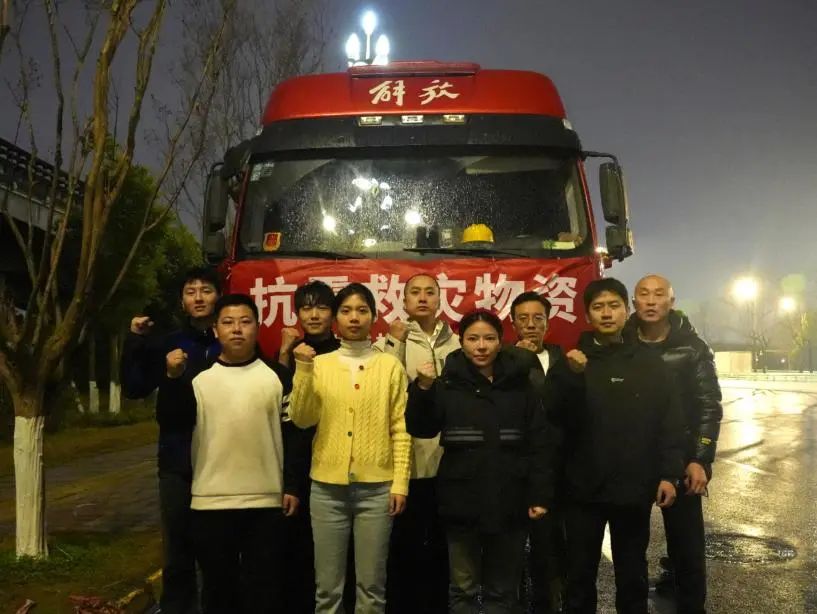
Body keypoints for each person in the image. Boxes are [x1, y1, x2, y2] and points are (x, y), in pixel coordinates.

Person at [546, 278, 685, 614]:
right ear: (587, 315)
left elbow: (670, 423)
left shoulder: (650, 363)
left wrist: (669, 474)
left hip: (633, 490)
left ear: (626, 311)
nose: (606, 313)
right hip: (581, 491)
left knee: (633, 576)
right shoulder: (571, 362)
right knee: (579, 577)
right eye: (598, 307)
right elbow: (552, 417)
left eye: (613, 306)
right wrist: (571, 377)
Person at [165, 293, 309, 613]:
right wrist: (173, 378)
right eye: (228, 323)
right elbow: (173, 422)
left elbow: (294, 434)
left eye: (245, 322)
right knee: (218, 593)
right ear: (216, 330)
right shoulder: (196, 378)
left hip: (267, 503)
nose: (237, 329)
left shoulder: (278, 376)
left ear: (257, 327)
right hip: (210, 503)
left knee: (265, 593)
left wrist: (291, 485)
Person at [406, 309, 553, 614]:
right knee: (463, 589)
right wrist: (422, 389)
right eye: (473, 339)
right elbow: (421, 427)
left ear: (501, 341)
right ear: (462, 342)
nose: (481, 346)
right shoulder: (447, 383)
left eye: (489, 338)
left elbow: (539, 442)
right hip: (460, 501)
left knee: (503, 590)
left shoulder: (520, 385)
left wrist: (539, 494)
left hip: (510, 499)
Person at [289, 282, 412, 614]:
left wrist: (400, 483)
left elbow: (401, 429)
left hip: (377, 490)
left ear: (374, 316)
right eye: (346, 311)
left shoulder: (389, 366)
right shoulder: (320, 364)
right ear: (336, 318)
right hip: (327, 490)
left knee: (371, 587)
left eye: (362, 310)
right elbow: (301, 418)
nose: (354, 318)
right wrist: (303, 370)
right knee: (327, 590)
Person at [122, 267, 221, 614]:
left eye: (206, 290)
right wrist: (135, 341)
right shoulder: (169, 343)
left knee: (218, 551)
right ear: (182, 301)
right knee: (177, 550)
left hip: (223, 462)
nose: (198, 297)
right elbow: (135, 387)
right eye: (191, 292)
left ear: (218, 297)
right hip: (177, 461)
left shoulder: (231, 343)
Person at [627, 274, 723, 614]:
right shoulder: (622, 343)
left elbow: (709, 405)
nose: (651, 301)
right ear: (634, 302)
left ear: (671, 302)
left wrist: (701, 459)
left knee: (687, 549)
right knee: (630, 550)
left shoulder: (693, 347)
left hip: (682, 460)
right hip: (633, 461)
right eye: (644, 294)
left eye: (659, 295)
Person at [375, 273, 460, 614]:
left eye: (429, 292)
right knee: (402, 547)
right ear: (404, 300)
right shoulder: (389, 341)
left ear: (440, 299)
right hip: (404, 464)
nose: (422, 298)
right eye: (415, 292)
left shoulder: (459, 343)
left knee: (442, 548)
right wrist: (394, 342)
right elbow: (383, 388)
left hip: (447, 461)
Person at [277, 280, 341, 614]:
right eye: (306, 307)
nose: (314, 315)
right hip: (301, 470)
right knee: (299, 557)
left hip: (336, 467)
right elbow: (285, 420)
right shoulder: (292, 354)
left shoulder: (345, 354)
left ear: (333, 314)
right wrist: (290, 483)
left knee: (339, 561)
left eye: (322, 307)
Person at [509, 291, 567, 614]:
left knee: (551, 551)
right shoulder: (502, 359)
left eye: (538, 318)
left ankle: (549, 604)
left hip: (555, 470)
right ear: (513, 323)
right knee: (511, 552)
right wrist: (518, 358)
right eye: (523, 318)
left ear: (548, 322)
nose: (531, 324)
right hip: (514, 468)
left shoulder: (563, 360)